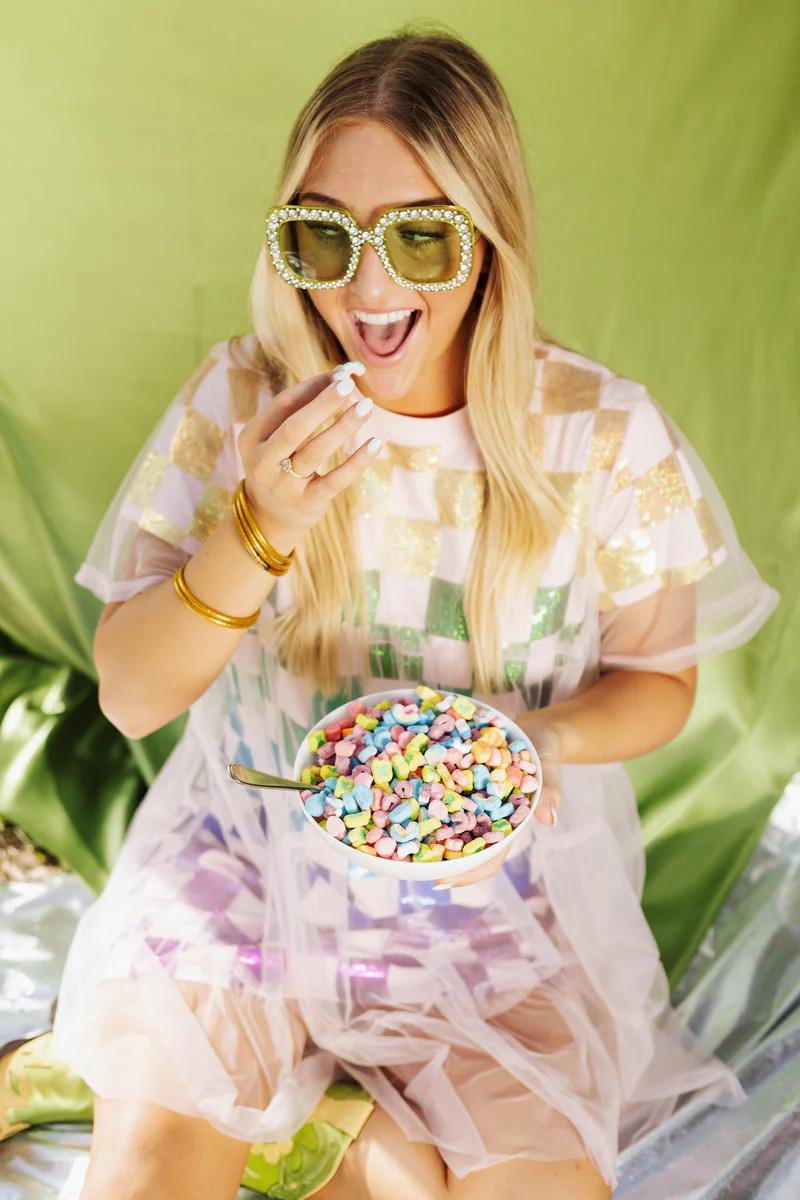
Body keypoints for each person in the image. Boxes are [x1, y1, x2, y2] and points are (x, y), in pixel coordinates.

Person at [49, 26, 780, 1200]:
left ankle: (339, 1123)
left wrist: (536, 741)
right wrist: (259, 526)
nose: (366, 288)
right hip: (243, 865)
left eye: (419, 237)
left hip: (489, 909)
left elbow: (659, 680)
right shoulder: (240, 401)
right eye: (322, 235)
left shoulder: (596, 435)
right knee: (146, 1175)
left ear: (487, 241)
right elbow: (133, 698)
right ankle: (319, 1110)